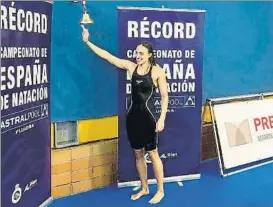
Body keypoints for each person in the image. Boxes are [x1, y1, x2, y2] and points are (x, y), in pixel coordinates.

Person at [82, 27, 168, 204]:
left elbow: (165, 96)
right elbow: (109, 57)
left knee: (153, 154)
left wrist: (162, 119)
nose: (138, 56)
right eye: (137, 53)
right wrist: (88, 42)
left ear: (150, 55)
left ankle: (160, 190)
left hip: (150, 119)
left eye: (142, 53)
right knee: (138, 155)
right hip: (133, 118)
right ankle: (144, 188)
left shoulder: (157, 71)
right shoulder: (131, 67)